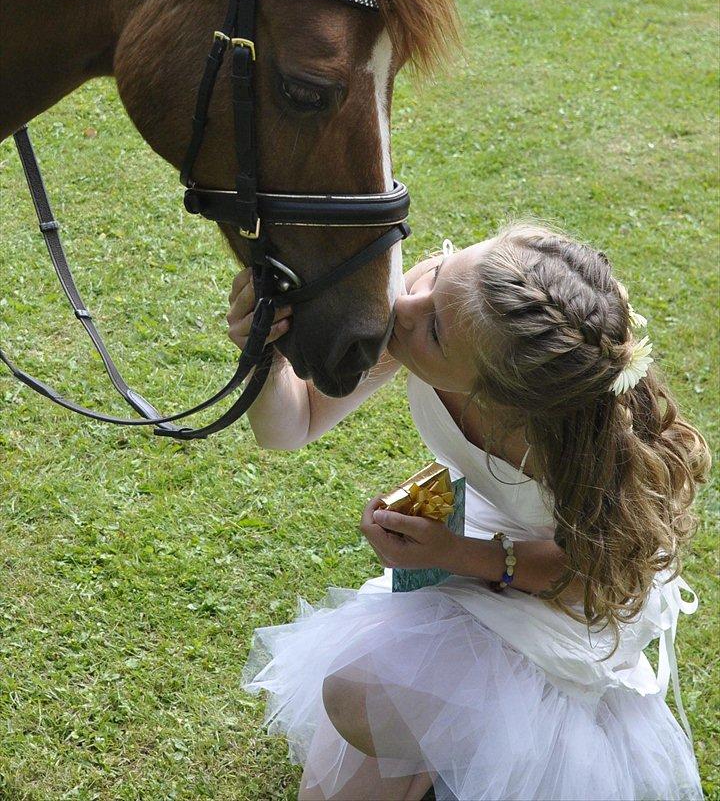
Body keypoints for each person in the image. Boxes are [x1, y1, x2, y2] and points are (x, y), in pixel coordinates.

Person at [229, 224, 710, 801]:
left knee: (357, 695)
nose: (403, 306)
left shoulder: (576, 446)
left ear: (501, 400)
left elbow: (594, 578)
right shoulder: (444, 304)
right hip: (481, 544)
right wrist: (264, 358)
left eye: (433, 329)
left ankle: (503, 745)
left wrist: (457, 554)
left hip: (567, 601)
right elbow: (295, 423)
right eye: (438, 275)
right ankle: (445, 753)